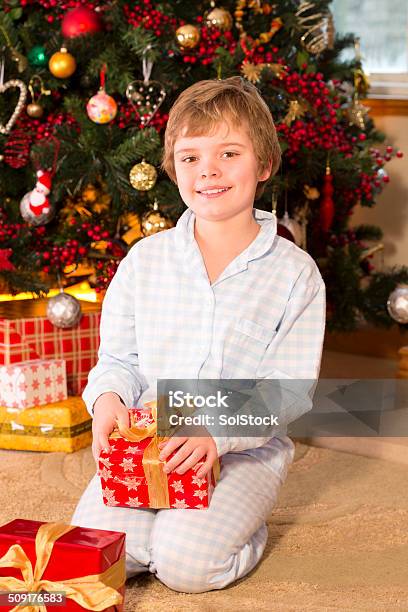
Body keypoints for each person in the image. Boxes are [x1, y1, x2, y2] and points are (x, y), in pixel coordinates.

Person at [72, 76, 326, 593]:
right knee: (99, 552)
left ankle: (234, 533)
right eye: (190, 158)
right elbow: (119, 357)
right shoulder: (145, 261)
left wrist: (216, 432)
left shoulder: (295, 273)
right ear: (172, 170)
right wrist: (108, 399)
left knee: (187, 566)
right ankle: (156, 536)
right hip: (149, 440)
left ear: (264, 165)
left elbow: (289, 389)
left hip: (242, 450)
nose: (208, 170)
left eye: (228, 153)